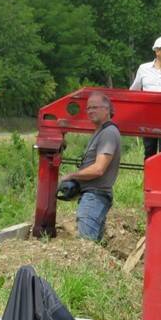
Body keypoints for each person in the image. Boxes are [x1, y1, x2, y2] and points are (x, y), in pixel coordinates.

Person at [60, 92, 121, 241]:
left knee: (85, 244)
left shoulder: (108, 133)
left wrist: (71, 175)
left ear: (107, 110)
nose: (90, 111)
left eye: (94, 107)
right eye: (88, 108)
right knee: (91, 246)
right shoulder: (100, 132)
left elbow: (98, 169)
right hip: (93, 196)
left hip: (95, 197)